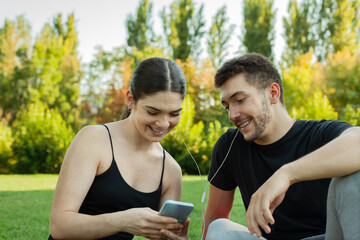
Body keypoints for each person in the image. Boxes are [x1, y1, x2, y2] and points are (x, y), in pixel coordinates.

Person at [202, 53, 360, 240]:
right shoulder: (229, 146)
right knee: (219, 228)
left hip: (327, 237)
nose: (233, 115)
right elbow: (215, 217)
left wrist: (285, 175)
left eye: (240, 100)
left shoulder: (319, 134)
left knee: (352, 178)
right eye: (227, 106)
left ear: (273, 93)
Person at [48, 57, 190, 240]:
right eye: (152, 112)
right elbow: (59, 226)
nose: (163, 123)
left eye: (174, 114)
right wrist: (123, 221)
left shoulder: (171, 171)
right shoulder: (94, 140)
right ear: (131, 100)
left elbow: (164, 235)